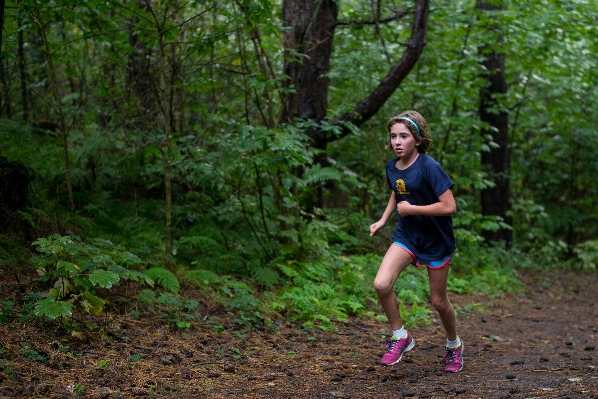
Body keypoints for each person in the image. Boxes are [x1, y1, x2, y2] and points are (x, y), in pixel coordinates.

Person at [369, 110, 463, 373]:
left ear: (418, 140)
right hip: (408, 235)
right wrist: (384, 219)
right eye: (393, 137)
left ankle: (454, 345)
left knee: (438, 302)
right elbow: (397, 190)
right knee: (381, 283)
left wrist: (413, 209)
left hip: (436, 239)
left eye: (404, 136)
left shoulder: (429, 166)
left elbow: (449, 206)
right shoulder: (392, 166)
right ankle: (400, 336)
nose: (397, 142)